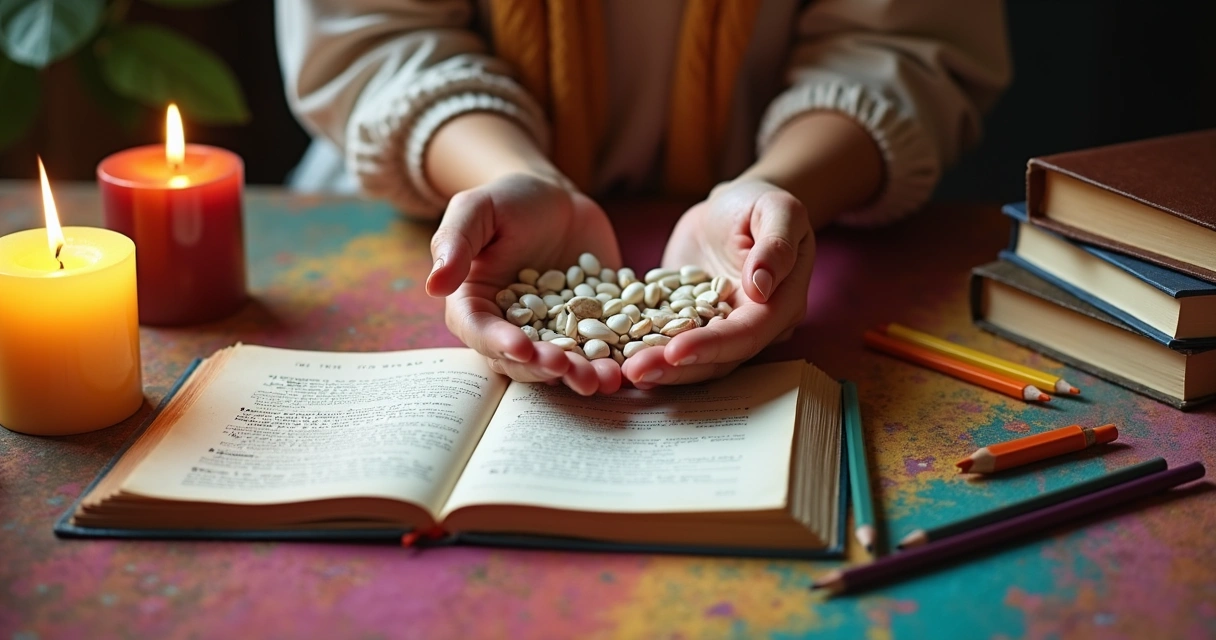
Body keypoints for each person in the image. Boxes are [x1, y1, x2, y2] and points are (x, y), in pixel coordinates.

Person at [276, 0, 1010, 395]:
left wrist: (777, 194)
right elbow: (376, 41)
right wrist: (504, 177)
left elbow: (901, 45)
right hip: (415, 198)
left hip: (820, 217)